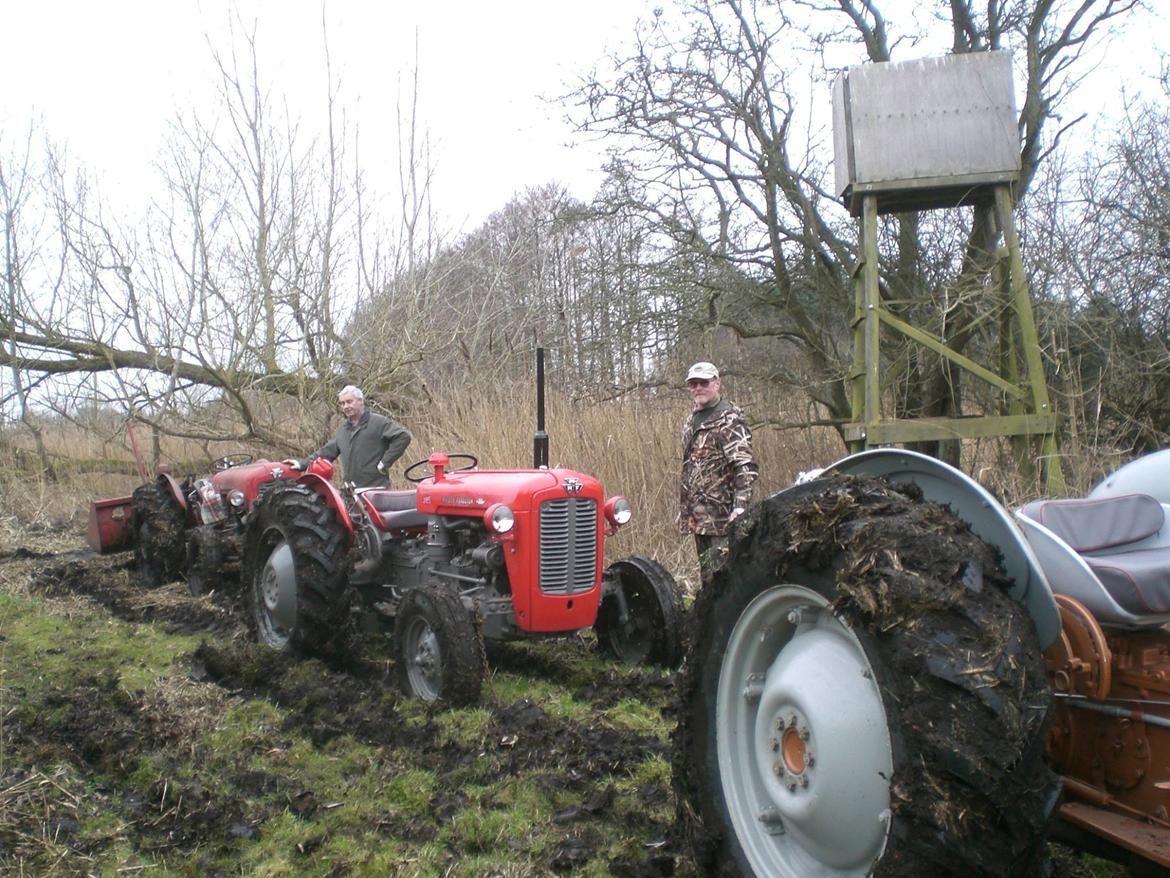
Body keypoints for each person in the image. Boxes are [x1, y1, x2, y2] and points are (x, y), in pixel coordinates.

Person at [677, 361, 758, 586]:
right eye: (693, 384)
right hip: (699, 517)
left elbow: (744, 466)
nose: (698, 388)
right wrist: (686, 511)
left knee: (725, 581)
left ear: (717, 383)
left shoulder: (730, 419)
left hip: (723, 518)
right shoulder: (692, 420)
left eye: (704, 382)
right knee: (709, 580)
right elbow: (692, 466)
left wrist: (740, 506)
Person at [284, 385, 411, 488]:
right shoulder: (343, 430)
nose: (346, 406)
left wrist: (384, 463)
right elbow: (325, 452)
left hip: (376, 490)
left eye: (349, 402)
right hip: (350, 492)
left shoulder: (378, 422)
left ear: (361, 401)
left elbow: (403, 437)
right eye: (342, 403)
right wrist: (302, 464)